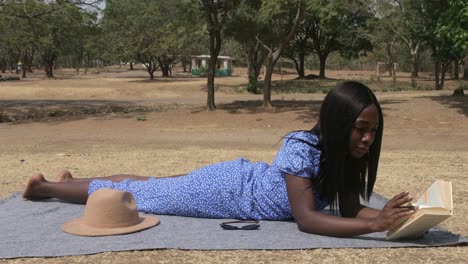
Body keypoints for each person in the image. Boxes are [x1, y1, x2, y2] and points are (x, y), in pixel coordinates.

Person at [23, 81, 415, 237]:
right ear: (337, 122)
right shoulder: (303, 147)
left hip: (239, 182)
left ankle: (68, 179)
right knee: (138, 194)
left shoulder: (345, 155)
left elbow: (349, 209)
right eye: (360, 128)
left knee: (148, 182)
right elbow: (308, 220)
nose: (367, 138)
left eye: (373, 131)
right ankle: (45, 188)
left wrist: (396, 219)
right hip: (227, 191)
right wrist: (377, 223)